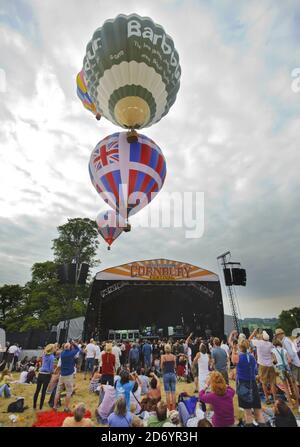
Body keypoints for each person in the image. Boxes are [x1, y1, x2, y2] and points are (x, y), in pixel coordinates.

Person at [236, 339, 266, 427]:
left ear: (240, 347)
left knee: (248, 414)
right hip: (253, 384)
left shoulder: (239, 357)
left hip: (243, 385)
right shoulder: (252, 357)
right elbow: (255, 371)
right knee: (258, 412)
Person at [275, 328, 300, 411]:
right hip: (296, 363)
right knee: (296, 383)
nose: (277, 337)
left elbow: (291, 355)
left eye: (277, 335)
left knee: (294, 384)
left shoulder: (285, 341)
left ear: (281, 334)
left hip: (293, 365)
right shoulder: (287, 340)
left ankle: (298, 403)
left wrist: (287, 364)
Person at [249, 329, 277, 404]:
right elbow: (273, 354)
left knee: (263, 382)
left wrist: (254, 332)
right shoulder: (270, 344)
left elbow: (249, 339)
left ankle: (267, 399)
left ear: (262, 337)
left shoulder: (259, 343)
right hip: (270, 365)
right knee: (272, 383)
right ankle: (275, 399)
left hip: (262, 365)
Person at [53, 340, 80, 412]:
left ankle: (54, 406)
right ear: (69, 347)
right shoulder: (70, 354)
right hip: (69, 375)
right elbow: (78, 349)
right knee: (69, 392)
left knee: (58, 391)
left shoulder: (62, 353)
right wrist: (73, 343)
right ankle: (66, 408)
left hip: (62, 374)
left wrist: (69, 345)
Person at [271, 339, 293, 406]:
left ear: (274, 344)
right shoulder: (284, 350)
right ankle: (296, 400)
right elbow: (289, 360)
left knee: (285, 386)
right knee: (292, 384)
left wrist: (273, 363)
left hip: (280, 368)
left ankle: (290, 403)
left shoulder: (273, 351)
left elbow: (275, 361)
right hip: (287, 367)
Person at [33, 344, 55, 410]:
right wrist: (52, 372)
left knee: (37, 390)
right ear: (52, 349)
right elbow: (51, 368)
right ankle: (40, 407)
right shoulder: (52, 357)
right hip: (47, 374)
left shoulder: (44, 355)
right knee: (43, 391)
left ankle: (34, 405)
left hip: (40, 373)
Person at [160, 344, 176, 410]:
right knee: (173, 392)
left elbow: (161, 366)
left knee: (167, 393)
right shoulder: (173, 356)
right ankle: (174, 408)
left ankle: (169, 409)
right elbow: (175, 366)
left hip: (166, 374)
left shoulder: (163, 356)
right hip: (172, 374)